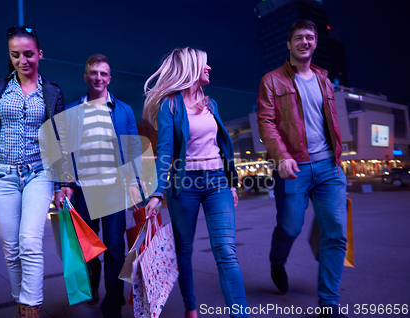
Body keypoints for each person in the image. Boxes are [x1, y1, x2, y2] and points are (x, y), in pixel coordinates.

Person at [0, 26, 73, 318]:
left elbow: (61, 138)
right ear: (10, 56)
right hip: (0, 176)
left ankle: (31, 307)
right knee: (11, 249)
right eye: (15, 55)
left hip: (38, 174)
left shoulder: (52, 91)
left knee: (30, 241)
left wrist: (65, 181)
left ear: (40, 54)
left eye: (29, 54)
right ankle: (21, 301)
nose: (23, 60)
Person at [143, 47, 248, 318]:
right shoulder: (170, 105)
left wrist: (232, 183)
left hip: (217, 183)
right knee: (185, 251)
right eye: (205, 64)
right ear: (191, 68)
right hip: (184, 185)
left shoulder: (210, 104)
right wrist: (157, 193)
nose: (209, 68)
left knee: (226, 250)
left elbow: (223, 144)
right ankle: (191, 309)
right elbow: (165, 150)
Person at [256, 19, 347, 318]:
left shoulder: (324, 79)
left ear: (316, 43)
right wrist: (280, 156)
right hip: (293, 167)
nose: (304, 42)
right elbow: (266, 122)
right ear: (289, 44)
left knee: (334, 232)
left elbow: (329, 122)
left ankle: (328, 304)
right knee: (290, 227)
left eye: (309, 37)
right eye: (298, 37)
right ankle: (277, 262)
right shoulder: (272, 80)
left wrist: (338, 154)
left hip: (329, 168)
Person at [54, 54, 142, 318]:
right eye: (94, 73)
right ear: (86, 76)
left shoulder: (123, 109)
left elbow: (132, 148)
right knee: (87, 248)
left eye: (104, 74)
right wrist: (64, 183)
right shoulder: (71, 110)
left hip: (114, 188)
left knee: (115, 248)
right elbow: (63, 151)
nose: (99, 78)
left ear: (109, 78)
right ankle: (91, 287)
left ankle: (112, 305)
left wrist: (137, 185)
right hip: (83, 190)